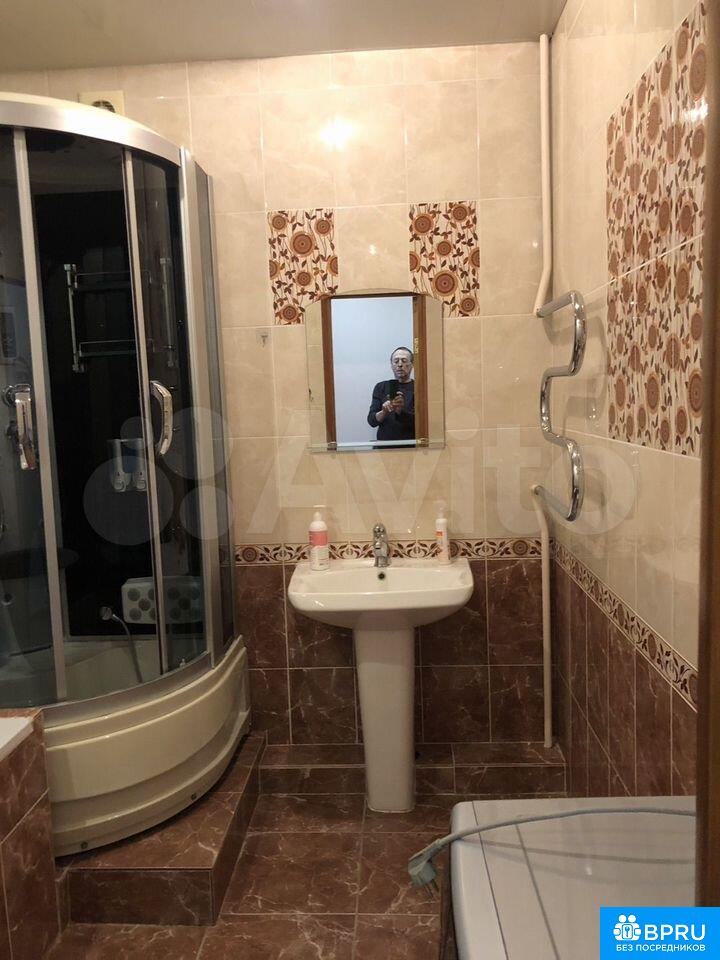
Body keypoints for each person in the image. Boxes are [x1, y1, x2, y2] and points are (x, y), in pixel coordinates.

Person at [367, 346, 415, 442]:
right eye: (396, 361)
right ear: (391, 365)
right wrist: (384, 412)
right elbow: (372, 421)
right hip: (384, 446)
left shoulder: (419, 388)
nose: (400, 365)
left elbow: (421, 422)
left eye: (404, 361)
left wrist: (400, 411)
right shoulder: (381, 387)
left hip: (411, 445)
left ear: (412, 364)